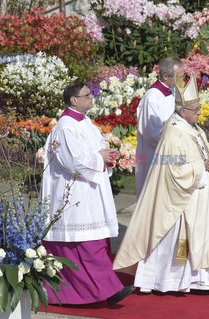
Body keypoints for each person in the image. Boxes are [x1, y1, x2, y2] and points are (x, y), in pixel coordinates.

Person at [113, 74, 209, 296]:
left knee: (203, 235)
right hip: (184, 199)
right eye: (196, 110)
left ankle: (204, 280)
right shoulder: (174, 131)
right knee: (183, 238)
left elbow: (197, 151)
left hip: (199, 194)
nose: (199, 113)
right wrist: (199, 166)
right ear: (183, 110)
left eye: (199, 109)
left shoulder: (190, 126)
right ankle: (181, 281)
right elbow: (171, 168)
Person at [41, 81, 135, 306]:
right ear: (74, 100)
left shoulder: (84, 121)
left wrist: (107, 156)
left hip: (89, 191)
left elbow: (93, 151)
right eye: (87, 95)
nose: (91, 97)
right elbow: (72, 161)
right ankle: (107, 290)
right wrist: (99, 158)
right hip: (74, 195)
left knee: (94, 243)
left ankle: (97, 290)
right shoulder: (66, 127)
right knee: (85, 246)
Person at [135, 56, 184, 196]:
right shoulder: (152, 98)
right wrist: (176, 144)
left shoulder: (172, 90)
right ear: (165, 76)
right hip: (157, 155)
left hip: (174, 150)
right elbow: (152, 134)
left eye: (183, 75)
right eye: (179, 76)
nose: (182, 79)